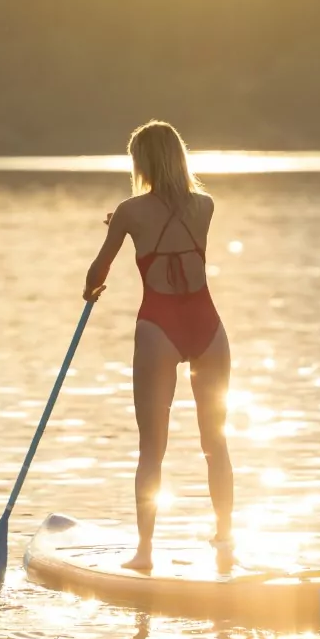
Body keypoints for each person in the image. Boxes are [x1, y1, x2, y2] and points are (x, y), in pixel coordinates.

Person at [83, 121, 233, 571]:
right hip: (209, 327)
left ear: (142, 162)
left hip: (158, 328)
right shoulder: (206, 205)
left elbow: (97, 273)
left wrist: (93, 286)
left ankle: (145, 553)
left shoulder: (129, 211)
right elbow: (169, 221)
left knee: (153, 448)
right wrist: (127, 225)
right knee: (216, 443)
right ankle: (226, 541)